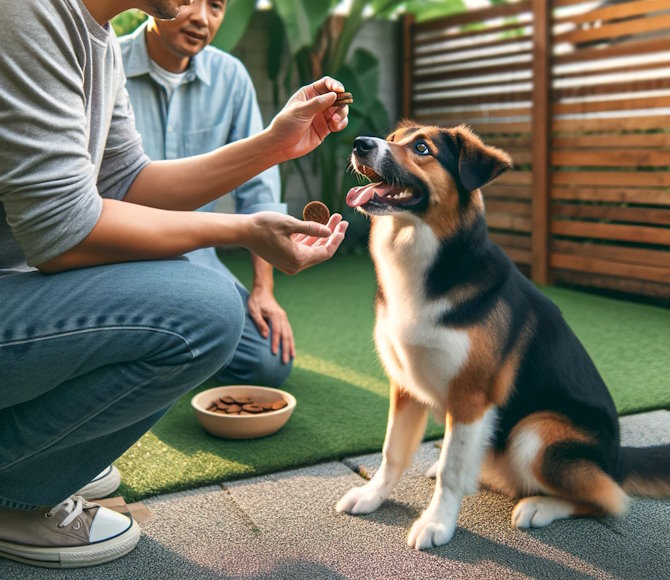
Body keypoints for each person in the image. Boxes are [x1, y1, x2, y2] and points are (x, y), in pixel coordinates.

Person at [0, 0, 349, 569]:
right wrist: (245, 229)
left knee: (211, 313)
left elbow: (128, 182)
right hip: (29, 275)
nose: (205, 10)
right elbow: (64, 235)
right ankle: (14, 487)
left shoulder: (100, 38)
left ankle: (45, 451)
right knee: (202, 311)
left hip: (24, 281)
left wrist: (273, 146)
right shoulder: (24, 13)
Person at [119, 0, 295, 391]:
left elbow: (260, 188)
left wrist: (263, 290)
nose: (201, 16)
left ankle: (170, 350)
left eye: (216, 5)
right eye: (190, 0)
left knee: (268, 364)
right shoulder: (107, 65)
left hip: (195, 258)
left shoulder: (231, 77)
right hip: (113, 256)